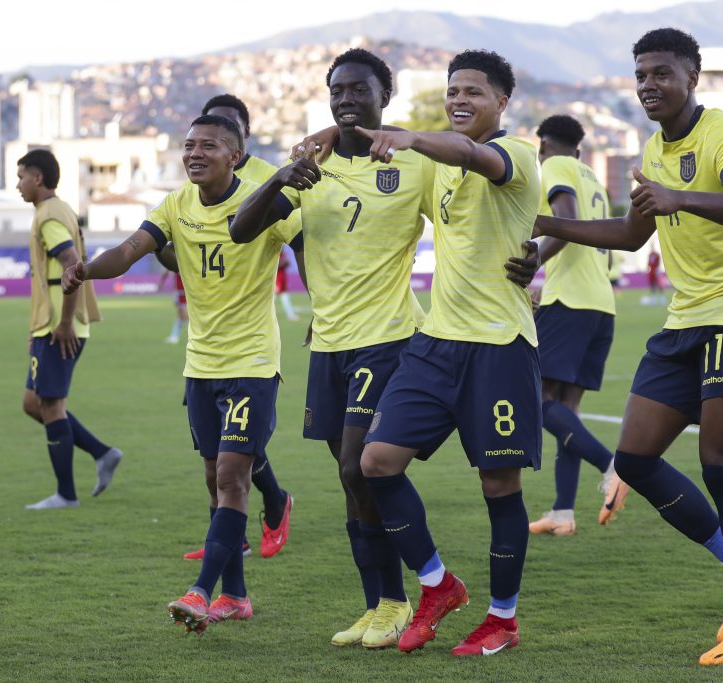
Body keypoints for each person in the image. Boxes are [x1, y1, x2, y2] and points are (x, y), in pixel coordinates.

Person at [230, 47, 539, 650]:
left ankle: (473, 610)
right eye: (337, 91)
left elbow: (487, 180)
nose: (346, 100)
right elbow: (242, 230)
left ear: (385, 98)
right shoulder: (313, 165)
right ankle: (391, 600)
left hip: (402, 336)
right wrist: (286, 170)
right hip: (336, 342)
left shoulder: (422, 161)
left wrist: (533, 254)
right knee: (358, 475)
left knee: (367, 467)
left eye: (359, 90)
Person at [535, 28, 723, 665]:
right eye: (641, 74)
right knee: (637, 459)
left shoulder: (721, 133)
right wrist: (541, 227)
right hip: (685, 321)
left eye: (661, 73)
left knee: (722, 468)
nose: (649, 84)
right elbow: (629, 234)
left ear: (692, 76)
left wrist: (680, 198)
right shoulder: (651, 148)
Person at [63, 114, 299, 633]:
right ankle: (235, 596)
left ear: (235, 156)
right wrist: (85, 269)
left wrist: (324, 309)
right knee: (216, 481)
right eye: (189, 145)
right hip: (201, 366)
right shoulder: (175, 205)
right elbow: (129, 251)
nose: (195, 153)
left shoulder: (264, 202)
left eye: (208, 146)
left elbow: (306, 244)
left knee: (233, 478)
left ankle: (201, 592)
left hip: (252, 364)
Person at [358, 49, 541, 657]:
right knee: (376, 461)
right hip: (435, 343)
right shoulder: (437, 162)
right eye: (453, 91)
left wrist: (412, 136)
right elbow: (399, 148)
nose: (460, 100)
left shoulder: (516, 155)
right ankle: (438, 585)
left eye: (473, 92)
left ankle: (503, 619)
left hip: (499, 346)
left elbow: (473, 155)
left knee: (499, 484)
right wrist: (328, 136)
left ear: (502, 102)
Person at [169, 94, 297, 562]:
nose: (202, 148)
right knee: (218, 459)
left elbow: (297, 235)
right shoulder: (191, 190)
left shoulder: (264, 178)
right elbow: (178, 248)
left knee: (233, 455)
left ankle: (271, 505)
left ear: (240, 140)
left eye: (220, 133)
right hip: (204, 350)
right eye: (196, 139)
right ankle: (231, 539)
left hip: (249, 344)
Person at [527, 114, 626, 537]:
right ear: (581, 150)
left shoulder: (555, 165)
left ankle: (612, 465)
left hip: (569, 301)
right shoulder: (595, 182)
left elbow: (564, 223)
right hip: (600, 303)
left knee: (534, 398)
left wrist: (533, 261)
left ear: (542, 146)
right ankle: (563, 513)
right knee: (567, 412)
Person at [17, 149, 122, 510]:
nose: (18, 185)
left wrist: (63, 323)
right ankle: (102, 453)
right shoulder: (58, 209)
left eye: (21, 177)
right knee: (34, 403)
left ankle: (66, 495)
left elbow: (73, 265)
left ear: (38, 179)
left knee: (51, 405)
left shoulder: (48, 216)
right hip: (49, 325)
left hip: (61, 327)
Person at [158, 270, 188, 343]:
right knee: (180, 315)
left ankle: (195, 335)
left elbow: (166, 272)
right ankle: (174, 336)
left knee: (185, 315)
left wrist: (161, 282)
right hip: (182, 291)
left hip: (183, 291)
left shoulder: (180, 264)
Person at [275, 247, 299, 321]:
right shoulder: (275, 254)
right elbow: (278, 264)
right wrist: (285, 261)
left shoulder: (282, 254)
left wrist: (286, 260)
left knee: (285, 298)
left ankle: (291, 315)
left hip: (282, 280)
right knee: (272, 299)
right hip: (276, 280)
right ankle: (291, 315)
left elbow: (288, 263)